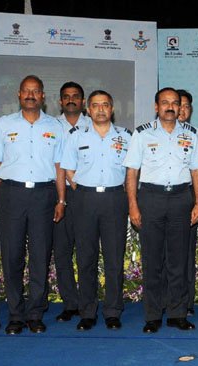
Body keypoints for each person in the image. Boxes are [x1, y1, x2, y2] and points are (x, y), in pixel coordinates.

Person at [0, 75, 66, 335]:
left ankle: (35, 314)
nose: (31, 95)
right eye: (26, 91)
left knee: (40, 256)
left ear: (43, 96)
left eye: (36, 91)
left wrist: (61, 199)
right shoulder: (3, 125)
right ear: (19, 95)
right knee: (12, 256)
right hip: (11, 194)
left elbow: (59, 166)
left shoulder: (56, 126)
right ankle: (16, 315)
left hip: (44, 195)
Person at [123, 87, 198, 333]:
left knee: (178, 260)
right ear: (156, 106)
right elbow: (132, 172)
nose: (170, 107)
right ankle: (152, 315)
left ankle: (177, 313)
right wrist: (133, 205)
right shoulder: (142, 133)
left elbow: (197, 171)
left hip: (182, 198)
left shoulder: (191, 134)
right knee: (153, 260)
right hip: (151, 198)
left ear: (181, 107)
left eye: (175, 103)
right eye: (165, 102)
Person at [60, 90, 131, 331]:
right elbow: (67, 168)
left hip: (114, 199)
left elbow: (133, 171)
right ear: (87, 110)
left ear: (112, 109)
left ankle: (112, 311)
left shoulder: (126, 137)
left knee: (113, 258)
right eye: (95, 105)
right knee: (86, 257)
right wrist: (80, 187)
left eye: (105, 105)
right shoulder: (75, 136)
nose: (100, 109)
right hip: (85, 199)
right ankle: (87, 311)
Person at [53, 81, 91, 322]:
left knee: (87, 251)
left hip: (86, 194)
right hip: (57, 194)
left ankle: (90, 302)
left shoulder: (95, 125)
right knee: (62, 251)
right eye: (66, 97)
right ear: (60, 101)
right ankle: (70, 303)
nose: (71, 100)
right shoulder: (50, 126)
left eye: (75, 96)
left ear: (83, 101)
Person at [178, 89, 198, 317]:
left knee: (186, 253)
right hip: (158, 198)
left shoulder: (197, 136)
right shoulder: (149, 133)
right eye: (177, 104)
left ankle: (186, 301)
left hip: (188, 197)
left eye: (185, 106)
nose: (181, 110)